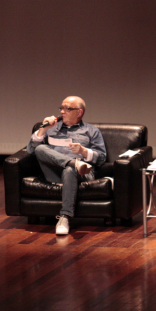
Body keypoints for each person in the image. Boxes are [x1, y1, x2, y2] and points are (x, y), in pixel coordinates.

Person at [27, 96, 107, 235]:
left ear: (79, 112)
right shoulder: (51, 129)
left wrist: (83, 151)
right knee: (41, 149)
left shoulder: (92, 131)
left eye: (67, 109)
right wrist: (43, 128)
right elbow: (32, 151)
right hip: (54, 174)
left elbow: (101, 158)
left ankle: (64, 217)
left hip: (82, 174)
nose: (62, 111)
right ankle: (74, 163)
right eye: (61, 108)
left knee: (70, 170)